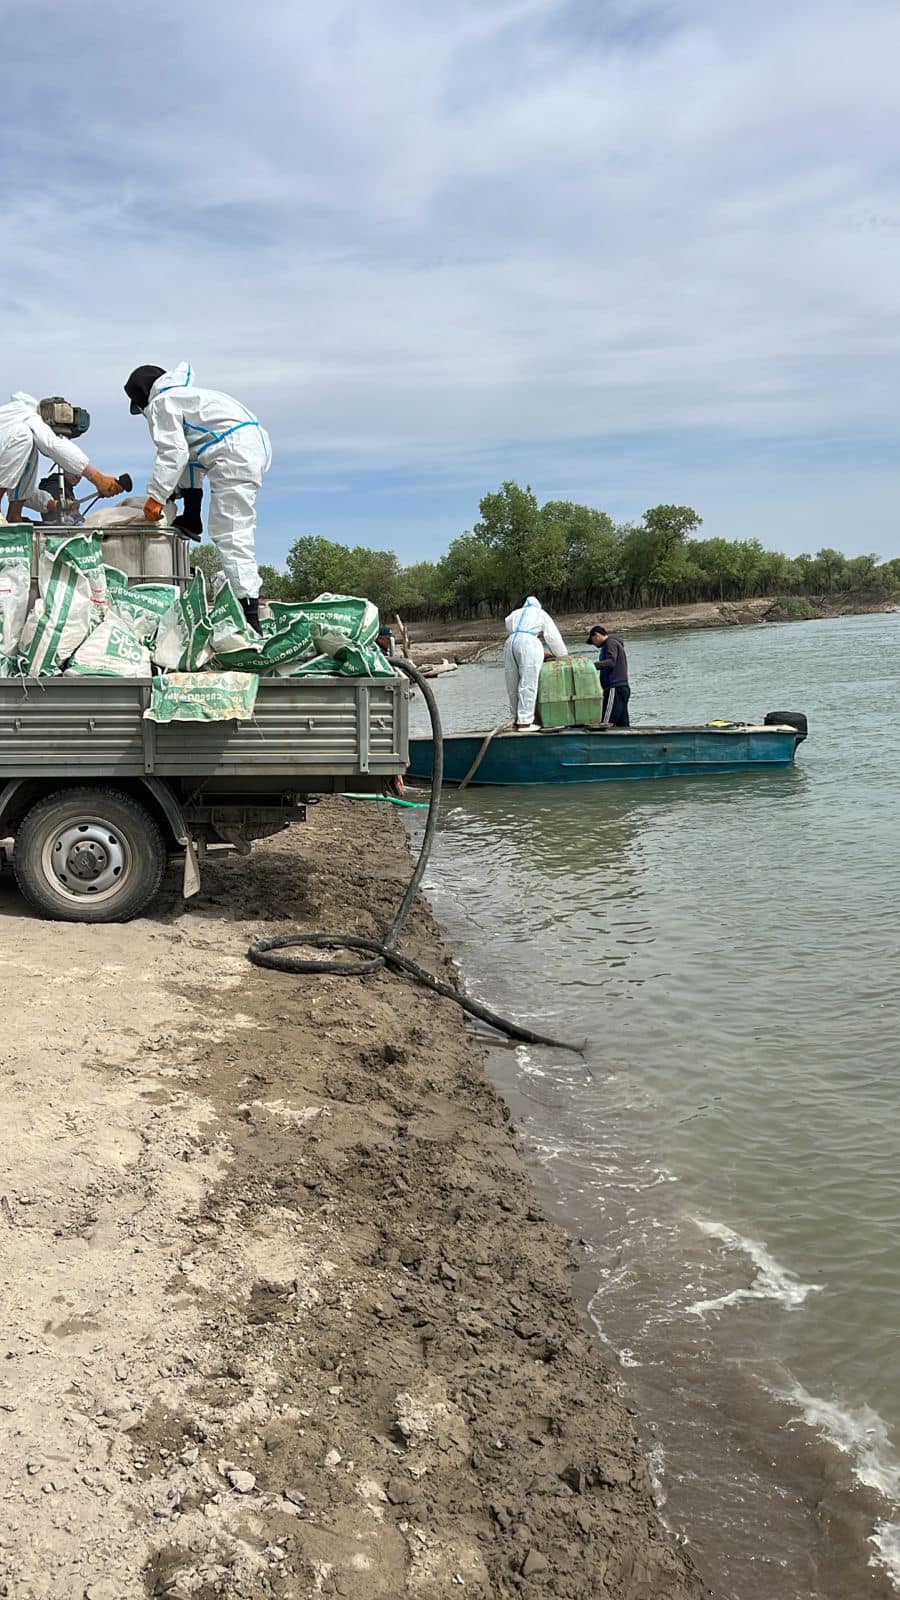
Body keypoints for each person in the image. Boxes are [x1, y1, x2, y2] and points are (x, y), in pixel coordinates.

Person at [124, 362, 272, 631]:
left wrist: (156, 497)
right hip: (242, 445)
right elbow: (189, 458)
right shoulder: (187, 397)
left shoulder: (162, 403)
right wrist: (180, 499)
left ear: (143, 397)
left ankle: (250, 616)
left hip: (233, 453)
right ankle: (192, 519)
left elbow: (172, 453)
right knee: (192, 465)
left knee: (231, 532)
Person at [0, 392, 121, 521]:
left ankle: (14, 516)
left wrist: (52, 504)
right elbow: (52, 444)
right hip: (22, 434)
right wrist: (97, 478)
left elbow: (20, 485)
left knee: (28, 451)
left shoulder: (20, 425)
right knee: (23, 437)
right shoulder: (27, 420)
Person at [504, 596, 567, 729]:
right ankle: (525, 722)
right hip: (529, 642)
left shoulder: (514, 614)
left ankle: (515, 718)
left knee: (512, 681)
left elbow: (508, 623)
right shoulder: (540, 613)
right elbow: (552, 636)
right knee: (528, 681)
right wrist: (561, 655)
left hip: (510, 643)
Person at [587, 624, 630, 726]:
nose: (594, 644)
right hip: (622, 687)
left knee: (606, 722)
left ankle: (600, 741)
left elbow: (611, 662)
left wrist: (591, 666)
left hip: (614, 688)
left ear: (596, 635)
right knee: (622, 723)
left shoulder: (610, 643)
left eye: (592, 641)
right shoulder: (615, 643)